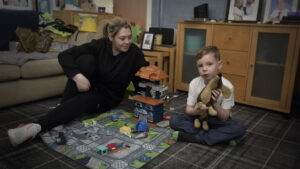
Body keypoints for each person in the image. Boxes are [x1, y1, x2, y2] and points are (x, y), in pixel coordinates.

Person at [8, 17, 148, 147]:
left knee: (84, 100)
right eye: (122, 38)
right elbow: (65, 55)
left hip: (108, 97)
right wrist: (78, 77)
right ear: (111, 37)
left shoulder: (134, 53)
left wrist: (146, 98)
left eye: (130, 37)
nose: (128, 42)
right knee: (84, 60)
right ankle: (59, 115)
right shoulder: (99, 45)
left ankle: (35, 127)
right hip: (91, 86)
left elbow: (142, 77)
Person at [170, 46, 245, 146]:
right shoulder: (194, 83)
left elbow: (224, 118)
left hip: (218, 122)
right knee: (174, 121)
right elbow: (188, 110)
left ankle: (196, 138)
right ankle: (218, 138)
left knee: (239, 128)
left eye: (209, 64)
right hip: (199, 119)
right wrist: (195, 110)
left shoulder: (228, 87)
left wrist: (215, 103)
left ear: (219, 65)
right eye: (200, 66)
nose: (204, 69)